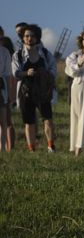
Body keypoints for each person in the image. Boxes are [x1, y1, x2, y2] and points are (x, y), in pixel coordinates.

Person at [11, 24, 57, 152]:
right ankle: (31, 148)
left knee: (48, 119)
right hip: (26, 91)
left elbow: (54, 69)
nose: (29, 38)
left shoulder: (45, 53)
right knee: (29, 121)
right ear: (23, 38)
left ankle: (50, 145)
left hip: (43, 90)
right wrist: (26, 73)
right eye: (26, 36)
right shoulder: (18, 55)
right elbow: (15, 72)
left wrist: (46, 74)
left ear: (37, 38)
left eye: (32, 36)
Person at [0, 36, 11, 152]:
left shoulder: (4, 52)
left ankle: (2, 147)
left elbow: (7, 73)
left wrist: (8, 93)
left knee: (3, 120)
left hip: (1, 86)